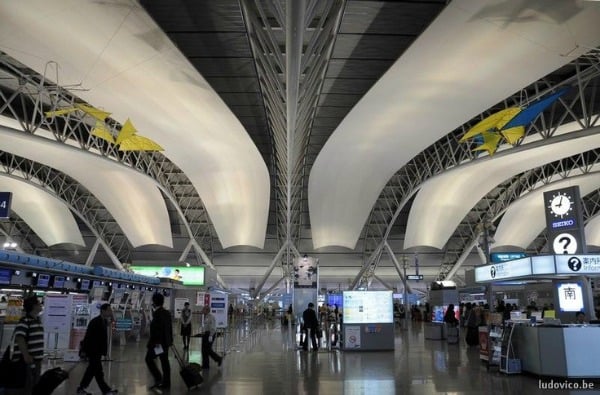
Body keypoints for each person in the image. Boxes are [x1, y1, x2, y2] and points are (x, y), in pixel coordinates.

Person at [77, 304, 118, 395]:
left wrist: (112, 316)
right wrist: (83, 351)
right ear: (103, 311)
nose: (110, 312)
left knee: (94, 371)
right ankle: (104, 390)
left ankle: (83, 388)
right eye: (109, 310)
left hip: (98, 351)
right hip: (93, 351)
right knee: (97, 372)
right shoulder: (95, 322)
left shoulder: (103, 321)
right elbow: (88, 337)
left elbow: (112, 321)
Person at [7, 295, 44, 395]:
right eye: (39, 303)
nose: (41, 305)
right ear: (33, 306)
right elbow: (20, 338)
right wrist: (26, 355)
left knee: (34, 386)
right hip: (26, 361)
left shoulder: (37, 321)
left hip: (36, 361)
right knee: (26, 386)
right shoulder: (25, 321)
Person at [145, 293, 173, 390]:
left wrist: (153, 344)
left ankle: (159, 378)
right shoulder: (166, 313)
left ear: (154, 302)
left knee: (148, 359)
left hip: (158, 344)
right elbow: (169, 328)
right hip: (165, 342)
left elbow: (157, 331)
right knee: (164, 361)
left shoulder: (157, 314)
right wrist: (170, 341)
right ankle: (166, 383)